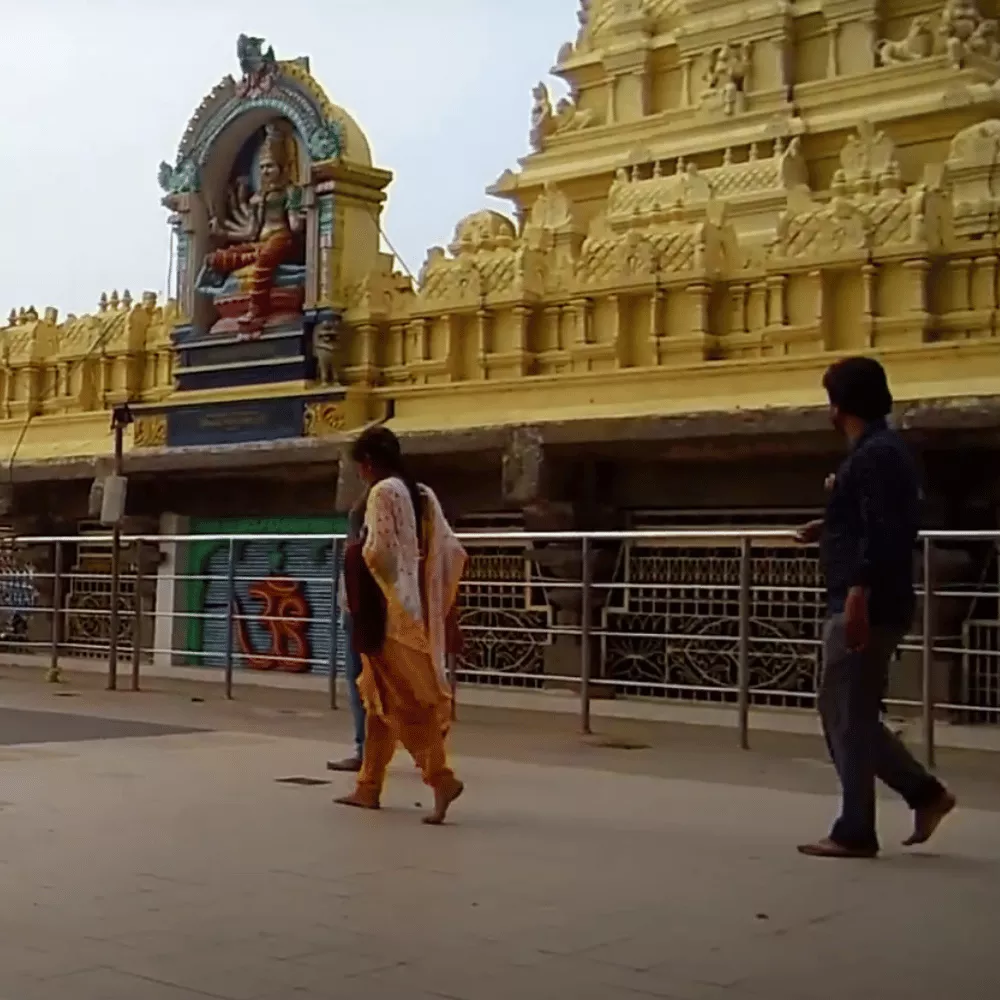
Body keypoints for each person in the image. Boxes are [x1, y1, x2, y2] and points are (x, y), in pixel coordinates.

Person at [796, 356, 956, 859]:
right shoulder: (881, 452)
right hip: (867, 595)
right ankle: (922, 793)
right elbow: (877, 518)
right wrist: (829, 526)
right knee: (849, 712)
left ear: (839, 406)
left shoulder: (874, 456)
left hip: (863, 600)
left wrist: (859, 593)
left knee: (846, 713)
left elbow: (886, 532)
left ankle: (856, 828)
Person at [335, 426, 467, 824]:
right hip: (417, 609)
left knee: (402, 700)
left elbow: (380, 553)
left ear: (368, 463)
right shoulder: (422, 494)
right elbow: (450, 551)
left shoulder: (382, 493)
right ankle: (367, 786)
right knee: (377, 697)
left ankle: (439, 776)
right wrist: (442, 607)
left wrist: (356, 556)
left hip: (388, 613)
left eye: (359, 465)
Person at [327, 495, 368, 773]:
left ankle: (365, 750)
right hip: (359, 614)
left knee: (359, 683)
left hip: (360, 617)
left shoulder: (359, 550)